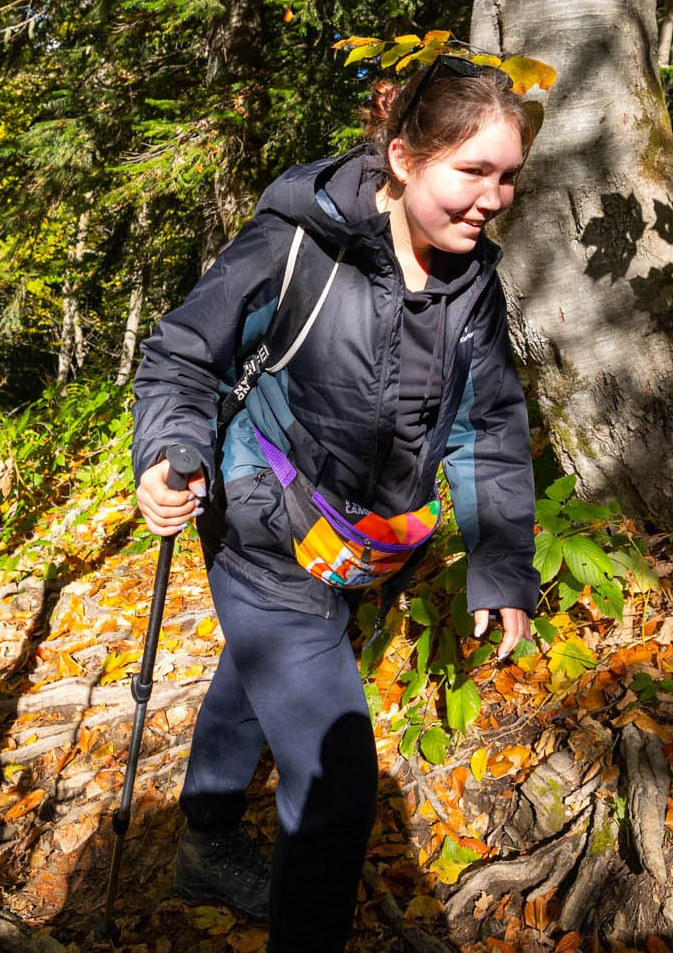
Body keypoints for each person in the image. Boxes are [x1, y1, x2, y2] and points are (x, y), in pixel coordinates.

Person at [132, 57, 540, 952]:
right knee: (337, 782)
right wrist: (171, 452)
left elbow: (490, 424)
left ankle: (201, 841)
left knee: (255, 667)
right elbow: (180, 356)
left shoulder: (471, 279)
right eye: (473, 171)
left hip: (363, 543)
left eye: (507, 176)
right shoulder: (297, 241)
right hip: (258, 522)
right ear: (402, 157)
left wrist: (503, 563)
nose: (494, 196)